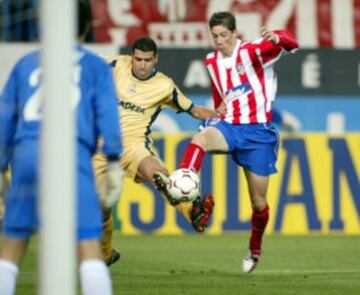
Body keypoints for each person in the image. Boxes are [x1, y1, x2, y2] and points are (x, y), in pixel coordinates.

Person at [155, 11, 299, 273]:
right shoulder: (211, 60)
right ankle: (186, 184)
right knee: (200, 138)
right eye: (215, 36)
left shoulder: (254, 50)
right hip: (229, 126)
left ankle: (255, 248)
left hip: (258, 133)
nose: (219, 40)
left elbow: (292, 42)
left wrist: (277, 36)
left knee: (258, 202)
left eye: (223, 35)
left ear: (234, 33)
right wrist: (216, 109)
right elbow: (220, 92)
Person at [0, 0, 124, 294]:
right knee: (88, 244)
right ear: (85, 27)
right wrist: (115, 160)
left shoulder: (26, 64)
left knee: (12, 245)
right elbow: (107, 114)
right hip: (72, 158)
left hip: (27, 156)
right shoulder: (94, 66)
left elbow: (4, 118)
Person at [94, 37, 217, 266]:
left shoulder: (164, 86)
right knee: (101, 209)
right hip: (101, 146)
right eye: (138, 59)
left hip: (134, 145)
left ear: (156, 59)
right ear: (131, 57)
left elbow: (193, 110)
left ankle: (193, 211)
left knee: (158, 175)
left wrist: (221, 115)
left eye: (147, 60)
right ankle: (106, 253)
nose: (142, 65)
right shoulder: (114, 64)